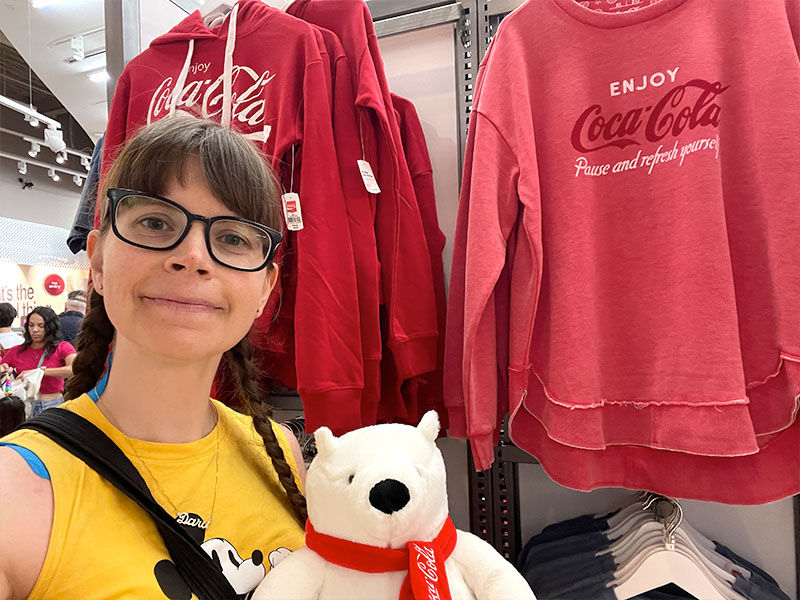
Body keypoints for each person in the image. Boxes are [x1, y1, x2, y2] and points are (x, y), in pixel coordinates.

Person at [0, 116, 307, 600]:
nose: (192, 256)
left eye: (232, 238)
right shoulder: (16, 493)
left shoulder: (281, 455)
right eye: (156, 222)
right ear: (97, 262)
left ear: (265, 288)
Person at [0, 307, 76, 415]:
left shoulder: (63, 347)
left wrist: (40, 372)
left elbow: (74, 369)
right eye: (31, 325)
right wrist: (3, 371)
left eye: (41, 326)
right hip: (25, 407)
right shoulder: (16, 350)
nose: (35, 330)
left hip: (52, 405)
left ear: (50, 327)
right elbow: (3, 367)